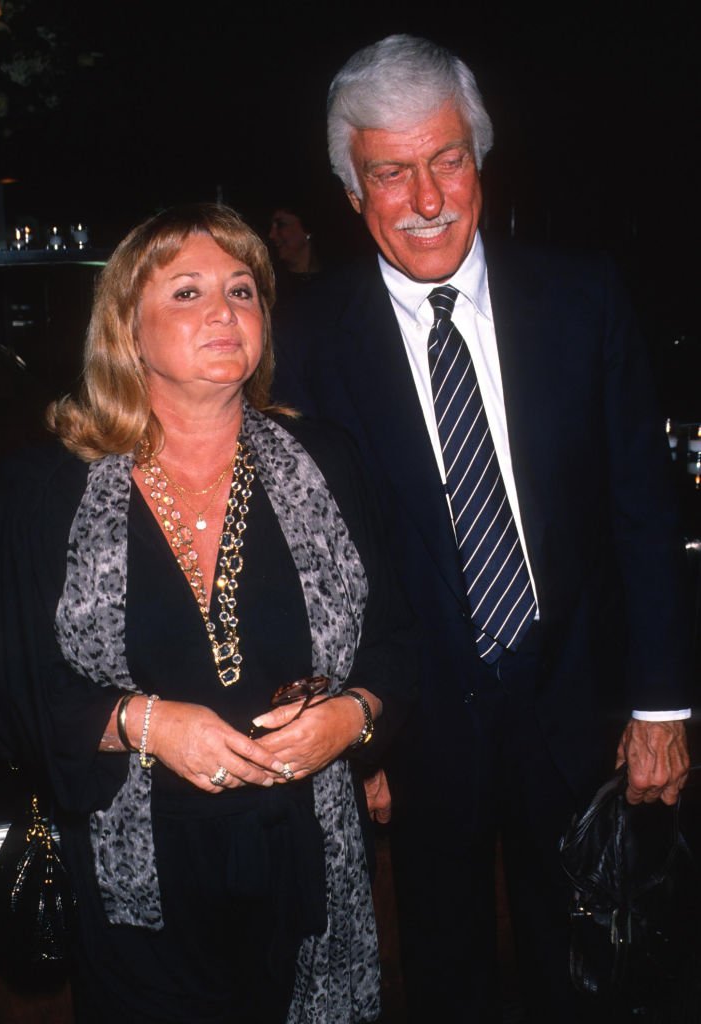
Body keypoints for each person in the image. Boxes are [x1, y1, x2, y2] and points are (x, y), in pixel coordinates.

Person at [272, 34, 693, 1024]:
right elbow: (307, 562)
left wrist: (662, 708)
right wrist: (354, 739)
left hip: (576, 702)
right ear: (351, 192)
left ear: (479, 159)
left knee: (592, 965)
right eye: (389, 171)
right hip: (415, 723)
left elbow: (641, 504)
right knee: (444, 962)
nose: (425, 196)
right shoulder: (305, 339)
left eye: (445, 159)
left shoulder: (580, 297)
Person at [0, 202, 415, 1023]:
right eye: (187, 293)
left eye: (243, 290)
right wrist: (146, 722)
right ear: (128, 329)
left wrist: (355, 719)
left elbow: (398, 640)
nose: (225, 310)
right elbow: (17, 695)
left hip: (307, 858)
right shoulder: (44, 489)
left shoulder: (328, 460)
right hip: (136, 880)